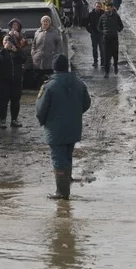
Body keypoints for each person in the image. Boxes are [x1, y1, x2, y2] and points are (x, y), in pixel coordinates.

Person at [35, 54, 91, 200]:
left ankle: (62, 192)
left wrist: (45, 121)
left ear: (54, 69)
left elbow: (40, 109)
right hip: (73, 127)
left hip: (55, 128)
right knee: (67, 155)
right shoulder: (79, 83)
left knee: (58, 158)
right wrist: (74, 114)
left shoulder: (49, 86)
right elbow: (86, 103)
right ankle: (66, 182)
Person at [0, 33, 26, 129]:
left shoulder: (17, 51)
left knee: (15, 101)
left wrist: (16, 51)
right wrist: (5, 49)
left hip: (16, 81)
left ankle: (14, 119)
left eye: (9, 41)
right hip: (4, 81)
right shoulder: (1, 52)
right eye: (5, 41)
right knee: (3, 101)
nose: (8, 43)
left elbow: (23, 59)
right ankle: (3, 120)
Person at [98, 1, 124, 77]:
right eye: (106, 9)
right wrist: (103, 32)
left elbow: (121, 26)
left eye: (108, 9)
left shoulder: (116, 16)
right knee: (107, 56)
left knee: (115, 55)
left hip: (114, 38)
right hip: (106, 39)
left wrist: (117, 29)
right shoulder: (102, 17)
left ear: (112, 8)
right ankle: (107, 72)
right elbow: (99, 27)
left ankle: (115, 66)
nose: (107, 10)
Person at [85, 2, 105, 68]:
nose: (98, 8)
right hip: (94, 34)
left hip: (101, 34)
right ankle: (95, 61)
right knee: (94, 48)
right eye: (97, 6)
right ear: (94, 6)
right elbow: (86, 23)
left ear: (101, 7)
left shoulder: (103, 14)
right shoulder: (91, 14)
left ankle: (103, 62)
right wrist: (90, 31)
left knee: (102, 49)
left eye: (99, 7)